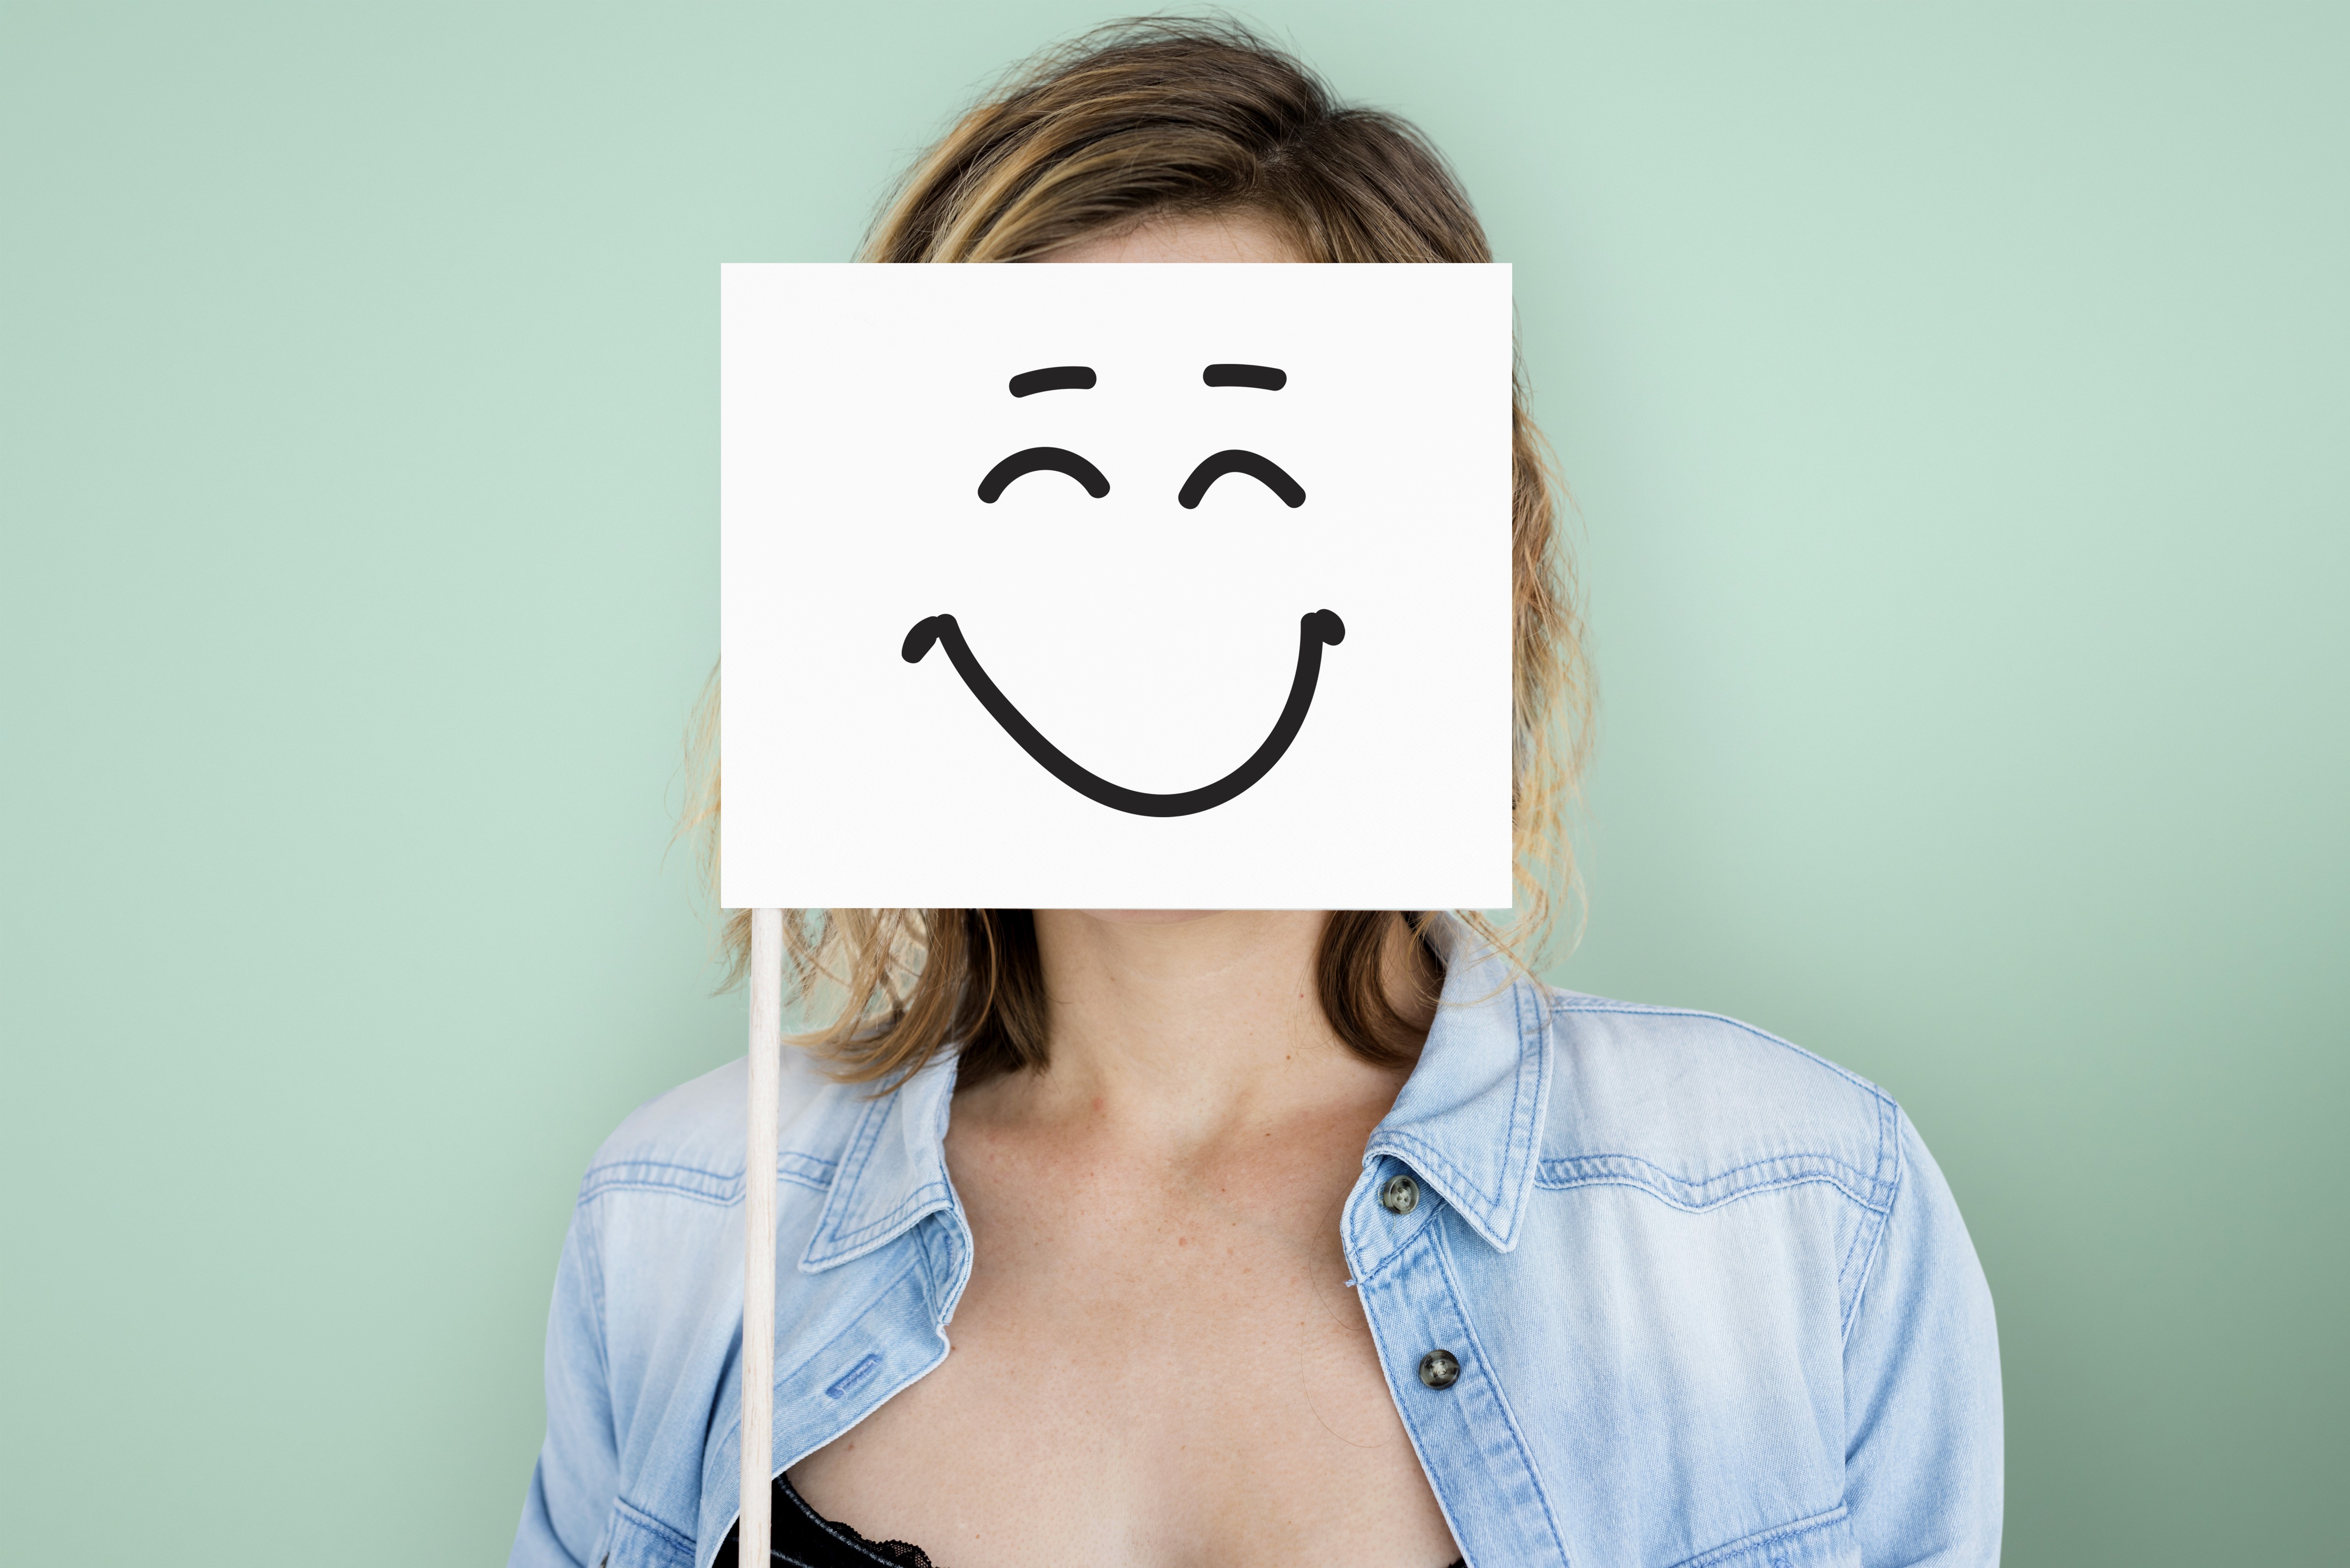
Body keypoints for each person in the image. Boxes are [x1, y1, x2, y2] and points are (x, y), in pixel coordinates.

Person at [511, 21, 2001, 1568]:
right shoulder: (680, 1223)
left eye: (1247, 488)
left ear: (1456, 554)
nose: (1143, 601)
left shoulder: (1797, 1215)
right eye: (1037, 492)